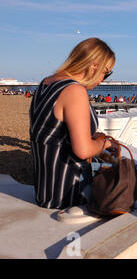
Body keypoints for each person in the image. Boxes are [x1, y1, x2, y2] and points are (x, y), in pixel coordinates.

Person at [29, 38, 119, 209]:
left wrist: (95, 136)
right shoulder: (74, 90)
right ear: (94, 65)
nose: (103, 80)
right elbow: (83, 151)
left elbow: (53, 132)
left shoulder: (46, 83)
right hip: (68, 193)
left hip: (44, 190)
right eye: (106, 73)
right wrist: (106, 143)